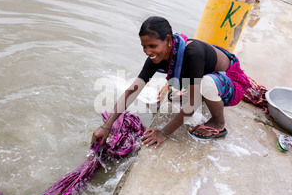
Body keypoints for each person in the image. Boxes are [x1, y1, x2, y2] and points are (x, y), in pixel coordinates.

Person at [91, 16, 249, 149]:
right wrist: (107, 125)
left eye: (152, 46)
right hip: (206, 78)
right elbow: (133, 90)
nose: (148, 52)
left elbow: (191, 106)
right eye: (144, 47)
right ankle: (200, 92)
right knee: (188, 88)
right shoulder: (156, 57)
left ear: (167, 40)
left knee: (205, 84)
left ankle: (218, 122)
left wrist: (163, 132)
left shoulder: (193, 53)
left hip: (231, 84)